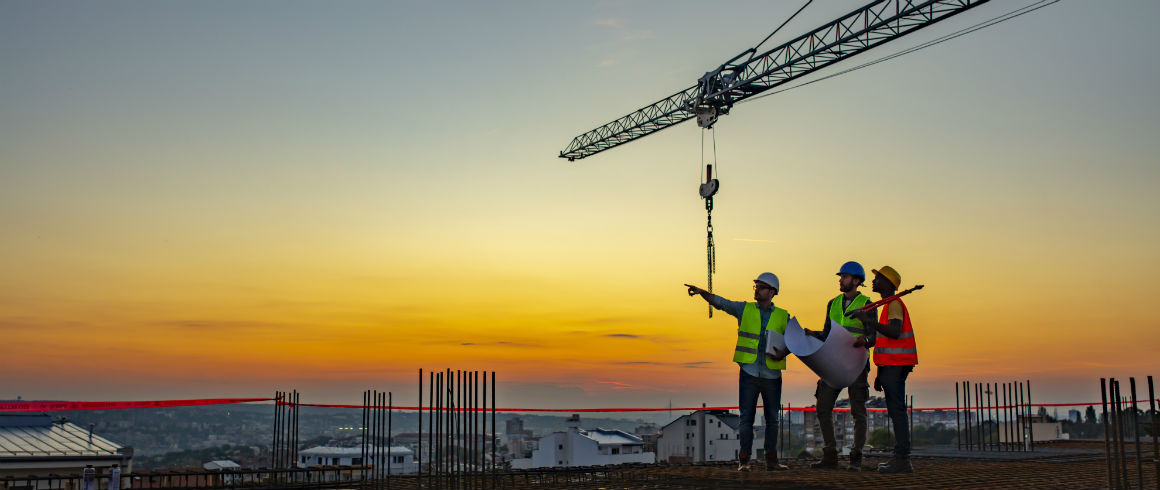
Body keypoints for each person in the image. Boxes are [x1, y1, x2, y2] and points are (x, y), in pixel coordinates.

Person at [685, 273, 792, 472]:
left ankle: (771, 461)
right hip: (749, 372)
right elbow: (721, 303)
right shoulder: (745, 309)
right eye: (756, 286)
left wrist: (783, 353)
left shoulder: (783, 316)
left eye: (761, 287)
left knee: (772, 420)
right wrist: (702, 293)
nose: (756, 290)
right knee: (746, 418)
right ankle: (744, 461)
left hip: (772, 375)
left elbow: (795, 341)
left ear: (772, 292)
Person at [806, 261, 876, 472]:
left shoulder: (867, 304)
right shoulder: (833, 303)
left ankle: (856, 457)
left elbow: (874, 335)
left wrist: (866, 340)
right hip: (834, 363)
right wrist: (813, 334)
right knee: (823, 406)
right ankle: (830, 456)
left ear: (856, 281)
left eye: (844, 277)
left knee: (858, 412)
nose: (840, 280)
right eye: (841, 277)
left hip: (856, 364)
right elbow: (828, 333)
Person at [849, 265, 918, 474]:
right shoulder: (889, 305)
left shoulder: (894, 304)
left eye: (877, 278)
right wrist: (880, 373)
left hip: (896, 365)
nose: (873, 281)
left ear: (888, 283)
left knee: (897, 412)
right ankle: (901, 459)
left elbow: (894, 332)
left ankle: (902, 459)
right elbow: (886, 342)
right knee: (897, 411)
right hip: (891, 366)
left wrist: (868, 321)